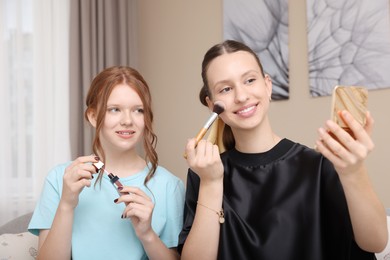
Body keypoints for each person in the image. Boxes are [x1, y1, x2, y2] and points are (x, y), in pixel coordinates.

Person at [178, 40, 388, 259]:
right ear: (212, 105)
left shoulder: (320, 166)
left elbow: (376, 242)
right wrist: (211, 184)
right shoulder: (203, 173)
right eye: (226, 89)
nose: (241, 96)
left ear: (267, 85)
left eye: (250, 80)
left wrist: (354, 172)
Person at [28, 66, 185, 260]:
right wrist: (67, 204)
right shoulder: (60, 179)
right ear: (93, 116)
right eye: (114, 109)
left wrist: (147, 234)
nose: (127, 120)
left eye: (138, 110)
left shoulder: (170, 186)